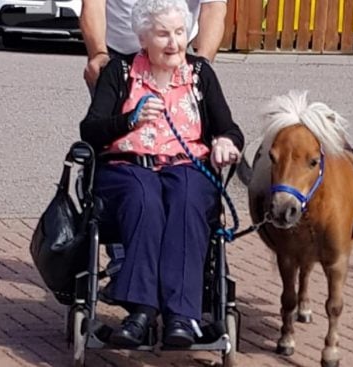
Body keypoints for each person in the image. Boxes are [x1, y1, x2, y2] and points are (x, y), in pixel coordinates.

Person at [79, 0, 243, 348]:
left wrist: (226, 142)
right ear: (143, 39)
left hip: (186, 165)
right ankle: (140, 310)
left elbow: (229, 128)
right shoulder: (120, 72)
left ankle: (181, 316)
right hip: (130, 166)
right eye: (163, 34)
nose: (174, 43)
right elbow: (91, 130)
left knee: (186, 198)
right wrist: (129, 121)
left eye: (180, 33)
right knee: (145, 198)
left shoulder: (200, 75)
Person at [80, 0, 227, 90]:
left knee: (181, 127)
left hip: (175, 54)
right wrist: (98, 53)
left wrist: (203, 63)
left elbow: (213, 8)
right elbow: (93, 4)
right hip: (116, 53)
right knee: (109, 129)